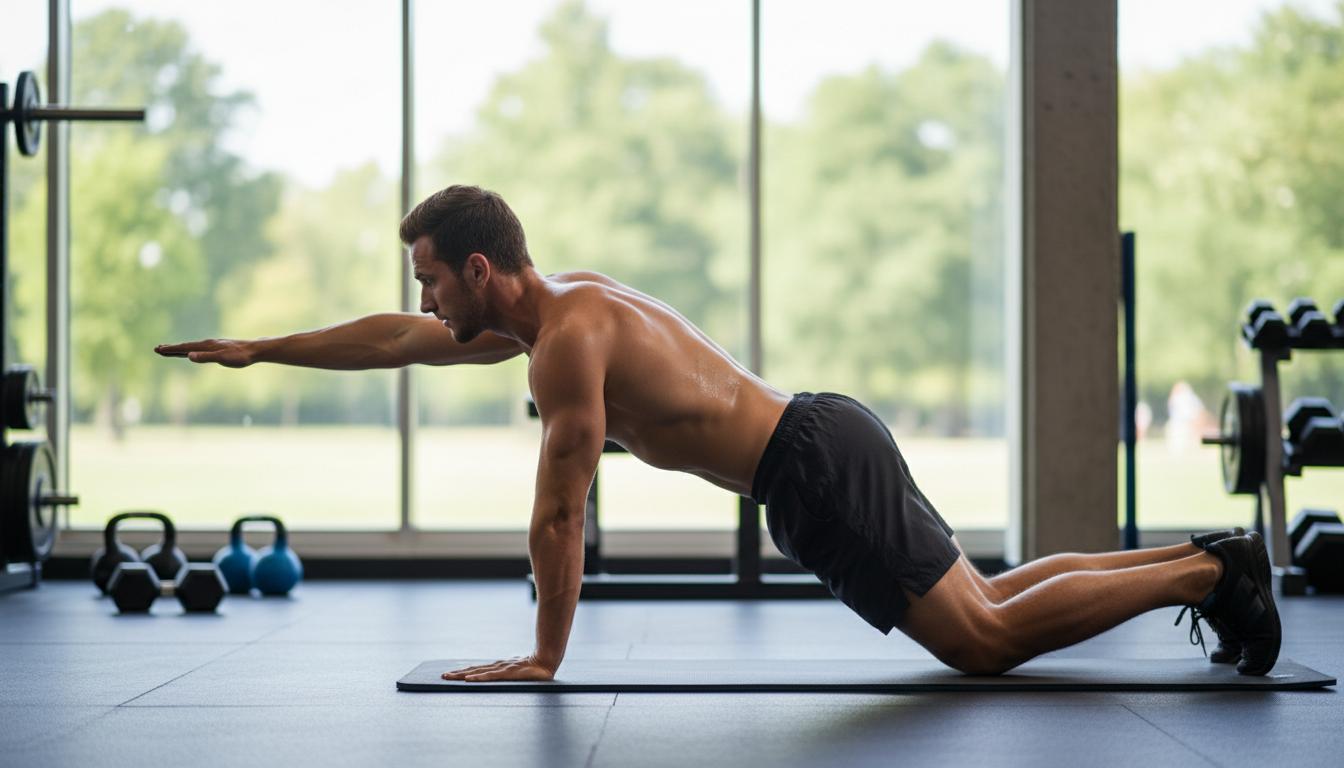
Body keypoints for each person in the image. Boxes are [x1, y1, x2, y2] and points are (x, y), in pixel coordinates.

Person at [156, 185, 1281, 681]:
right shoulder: (565, 308)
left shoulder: (558, 349)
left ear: (482, 269)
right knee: (987, 604)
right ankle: (1214, 561)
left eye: (436, 278)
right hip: (824, 438)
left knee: (980, 645)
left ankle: (1200, 578)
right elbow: (396, 340)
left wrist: (546, 654)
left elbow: (561, 508)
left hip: (810, 468)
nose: (430, 300)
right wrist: (260, 349)